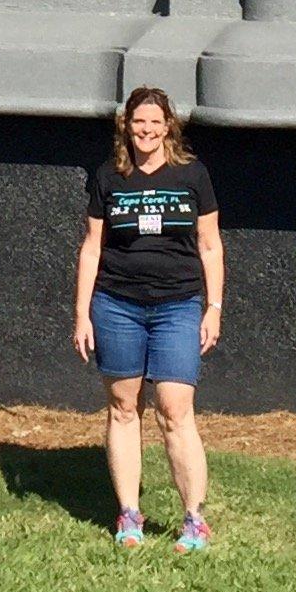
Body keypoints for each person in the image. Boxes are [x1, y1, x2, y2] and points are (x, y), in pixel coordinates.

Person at [72, 85, 224, 550]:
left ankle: (193, 519)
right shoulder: (109, 177)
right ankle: (129, 515)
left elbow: (210, 245)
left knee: (175, 411)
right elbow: (93, 247)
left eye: (155, 122)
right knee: (123, 409)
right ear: (127, 127)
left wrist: (213, 307)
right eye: (139, 121)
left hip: (178, 306)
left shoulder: (192, 176)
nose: (147, 130)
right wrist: (82, 313)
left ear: (168, 127)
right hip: (117, 306)